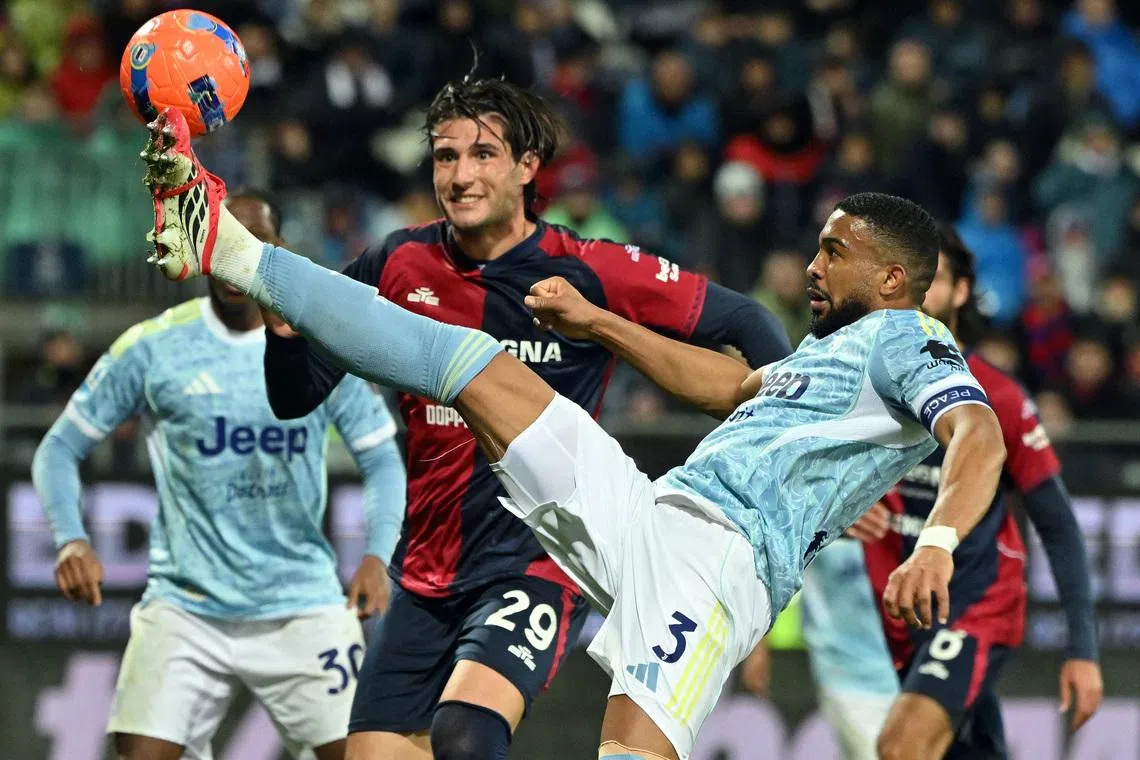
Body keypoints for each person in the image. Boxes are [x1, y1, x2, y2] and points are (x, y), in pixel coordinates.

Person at [141, 95, 1007, 760]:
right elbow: (731, 387)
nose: (811, 266)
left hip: (719, 568)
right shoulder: (835, 355)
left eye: (833, 253)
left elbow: (980, 435)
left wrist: (937, 540)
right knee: (476, 366)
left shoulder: (910, 338)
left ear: (893, 278)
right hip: (652, 511)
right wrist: (604, 328)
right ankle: (225, 245)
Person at [269, 79, 789, 760]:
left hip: (538, 558)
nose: (459, 176)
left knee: (464, 733)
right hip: (425, 571)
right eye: (445, 157)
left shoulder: (586, 271)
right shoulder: (398, 262)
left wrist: (775, 449)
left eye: (482, 155)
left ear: (526, 167)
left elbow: (747, 319)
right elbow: (295, 395)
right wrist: (283, 329)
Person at [34, 191, 406, 760]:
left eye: (255, 243)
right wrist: (69, 539)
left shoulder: (320, 345)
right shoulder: (153, 347)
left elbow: (381, 457)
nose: (239, 258)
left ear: (279, 249)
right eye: (225, 241)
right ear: (201, 248)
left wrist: (378, 555)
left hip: (302, 603)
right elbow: (59, 447)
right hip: (186, 609)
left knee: (372, 754)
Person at [858, 226, 1103, 760]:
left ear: (962, 292)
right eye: (910, 280)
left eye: (937, 280)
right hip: (904, 607)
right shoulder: (868, 383)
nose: (921, 294)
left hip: (976, 602)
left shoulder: (1002, 398)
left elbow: (1058, 526)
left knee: (902, 746)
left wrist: (1082, 651)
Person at [742, 534, 900, 760]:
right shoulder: (820, 510)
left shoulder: (901, 510)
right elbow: (775, 570)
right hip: (845, 676)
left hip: (903, 672)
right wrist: (757, 645)